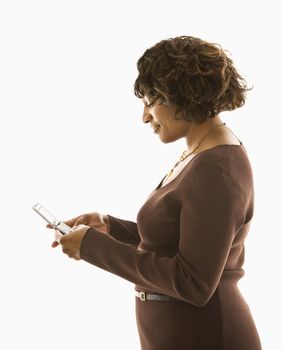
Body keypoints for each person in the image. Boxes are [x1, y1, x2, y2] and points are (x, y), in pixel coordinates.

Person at [48, 36, 262, 349]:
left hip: (206, 336)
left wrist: (93, 247)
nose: (145, 115)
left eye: (151, 101)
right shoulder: (202, 153)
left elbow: (194, 283)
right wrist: (112, 228)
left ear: (183, 97)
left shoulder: (215, 171)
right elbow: (184, 240)